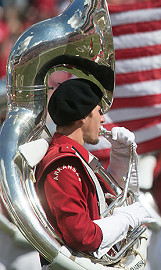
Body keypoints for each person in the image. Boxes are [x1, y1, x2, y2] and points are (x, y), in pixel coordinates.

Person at [35, 78, 154, 265]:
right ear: (83, 115)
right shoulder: (64, 165)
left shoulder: (74, 158)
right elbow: (82, 236)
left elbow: (108, 203)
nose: (103, 119)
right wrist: (125, 220)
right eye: (99, 111)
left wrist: (122, 157)